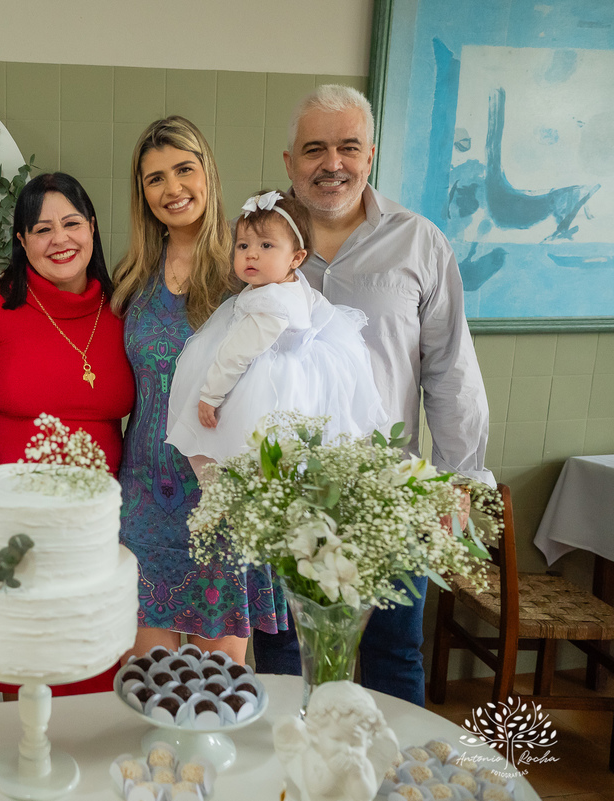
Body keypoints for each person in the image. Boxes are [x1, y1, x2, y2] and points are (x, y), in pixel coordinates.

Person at [253, 85, 494, 705]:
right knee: (283, 658)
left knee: (392, 654)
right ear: (289, 162)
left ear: (371, 155)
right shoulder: (256, 246)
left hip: (390, 497)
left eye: (347, 147)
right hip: (285, 495)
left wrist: (458, 480)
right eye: (314, 149)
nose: (331, 163)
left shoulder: (419, 243)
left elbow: (450, 372)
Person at [112, 116, 287, 666]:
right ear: (142, 193)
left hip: (218, 499)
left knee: (217, 687)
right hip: (143, 496)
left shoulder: (246, 270)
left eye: (184, 169)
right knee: (146, 681)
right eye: (155, 178)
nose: (172, 189)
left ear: (207, 173)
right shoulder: (132, 277)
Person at [0, 171, 135, 697]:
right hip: (16, 528)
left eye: (71, 223)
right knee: (28, 678)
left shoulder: (125, 307)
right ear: (21, 241)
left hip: (99, 532)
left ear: (92, 227)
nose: (59, 239)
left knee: (96, 673)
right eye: (42, 229)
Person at [165, 189, 386, 465]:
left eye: (266, 246)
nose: (251, 255)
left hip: (266, 386)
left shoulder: (270, 303)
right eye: (243, 246)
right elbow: (322, 315)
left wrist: (211, 394)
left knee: (219, 446)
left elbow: (237, 352)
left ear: (296, 258)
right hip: (301, 384)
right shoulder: (295, 286)